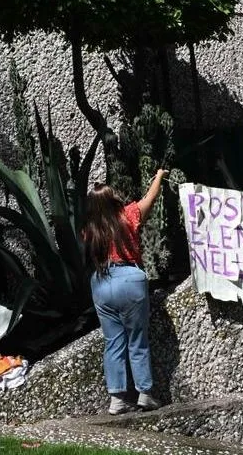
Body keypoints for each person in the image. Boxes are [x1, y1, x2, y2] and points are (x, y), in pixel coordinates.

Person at [81, 170, 166, 415]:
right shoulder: (128, 215)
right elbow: (150, 198)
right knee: (137, 340)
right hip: (130, 280)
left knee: (113, 342)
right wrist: (159, 176)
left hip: (101, 283)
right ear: (112, 199)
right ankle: (145, 394)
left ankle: (117, 399)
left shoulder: (89, 229)